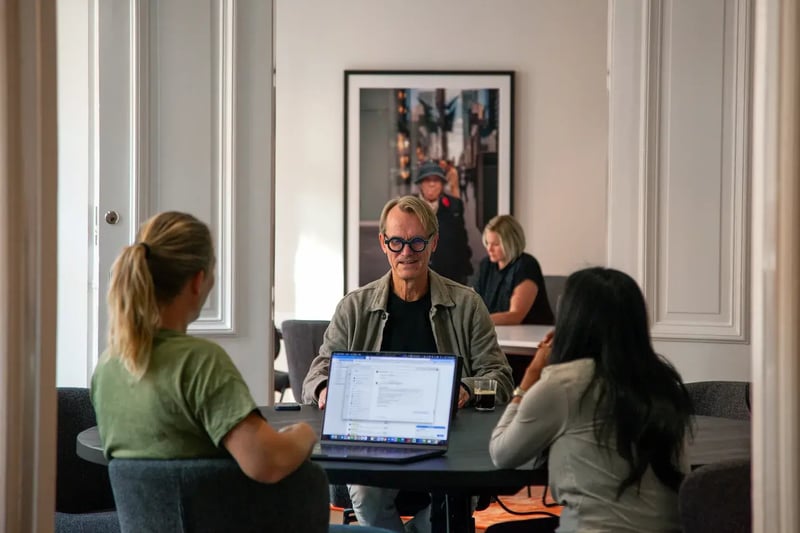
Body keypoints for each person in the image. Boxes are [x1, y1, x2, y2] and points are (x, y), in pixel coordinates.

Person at [303, 196, 514, 532]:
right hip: (373, 443)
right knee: (366, 492)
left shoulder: (468, 305)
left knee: (454, 503)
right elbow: (317, 373)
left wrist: (465, 389)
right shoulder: (354, 307)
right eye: (397, 242)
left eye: (417, 241)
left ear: (433, 243)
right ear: (383, 243)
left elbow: (500, 377)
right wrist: (328, 388)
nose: (407, 252)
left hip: (450, 442)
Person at [91, 211, 317, 484]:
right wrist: (304, 433)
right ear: (198, 280)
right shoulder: (200, 363)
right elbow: (266, 462)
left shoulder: (107, 367)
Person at [489, 268, 693, 533]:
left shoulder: (564, 385)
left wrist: (530, 377)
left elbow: (502, 453)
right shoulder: (664, 382)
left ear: (572, 322)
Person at [472, 214, 554, 325]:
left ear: (511, 243)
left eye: (495, 244)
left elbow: (515, 316)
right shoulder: (486, 265)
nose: (489, 249)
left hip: (532, 336)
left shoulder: (526, 265)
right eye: (487, 243)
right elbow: (472, 304)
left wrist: (474, 321)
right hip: (497, 332)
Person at [415, 159, 473, 285]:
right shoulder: (409, 206)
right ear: (420, 184)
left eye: (436, 180)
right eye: (427, 180)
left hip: (449, 273)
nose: (431, 184)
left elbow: (461, 239)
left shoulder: (454, 205)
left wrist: (464, 269)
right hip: (417, 272)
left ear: (442, 184)